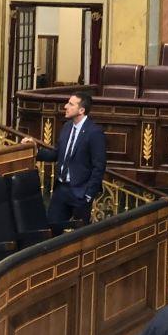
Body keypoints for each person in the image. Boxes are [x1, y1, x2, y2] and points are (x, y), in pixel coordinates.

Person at [22, 91, 106, 231]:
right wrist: (35, 151)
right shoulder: (66, 127)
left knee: (80, 236)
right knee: (51, 230)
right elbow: (57, 154)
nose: (65, 106)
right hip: (61, 189)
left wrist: (88, 194)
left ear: (81, 110)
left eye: (70, 104)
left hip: (80, 192)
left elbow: (99, 166)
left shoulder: (94, 132)